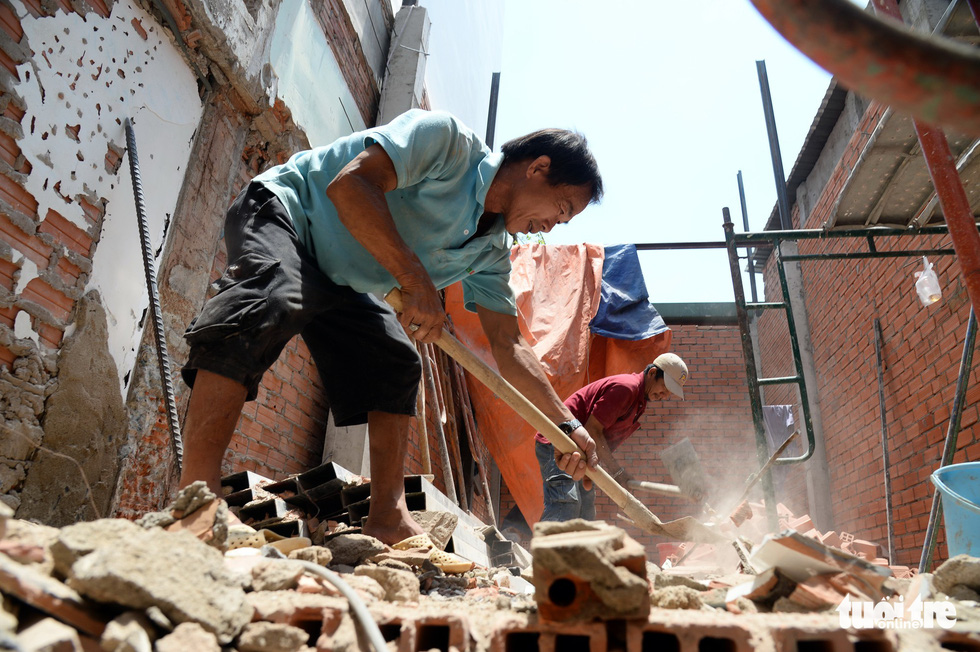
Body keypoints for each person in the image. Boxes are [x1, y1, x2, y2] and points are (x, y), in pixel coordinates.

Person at [176, 109, 603, 546]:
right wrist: (416, 280)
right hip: (287, 214)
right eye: (561, 208)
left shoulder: (490, 251)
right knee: (269, 299)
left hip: (342, 275)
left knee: (395, 363)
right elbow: (350, 184)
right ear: (538, 168)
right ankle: (197, 498)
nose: (552, 226)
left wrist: (566, 426)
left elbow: (508, 344)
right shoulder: (448, 144)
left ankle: (387, 516)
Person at [534, 352, 689, 522]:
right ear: (652, 373)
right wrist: (617, 471)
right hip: (558, 442)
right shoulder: (626, 388)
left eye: (669, 393)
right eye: (664, 388)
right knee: (566, 504)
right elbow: (593, 430)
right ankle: (543, 547)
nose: (664, 396)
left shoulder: (639, 401)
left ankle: (578, 547)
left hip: (579, 450)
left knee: (585, 509)